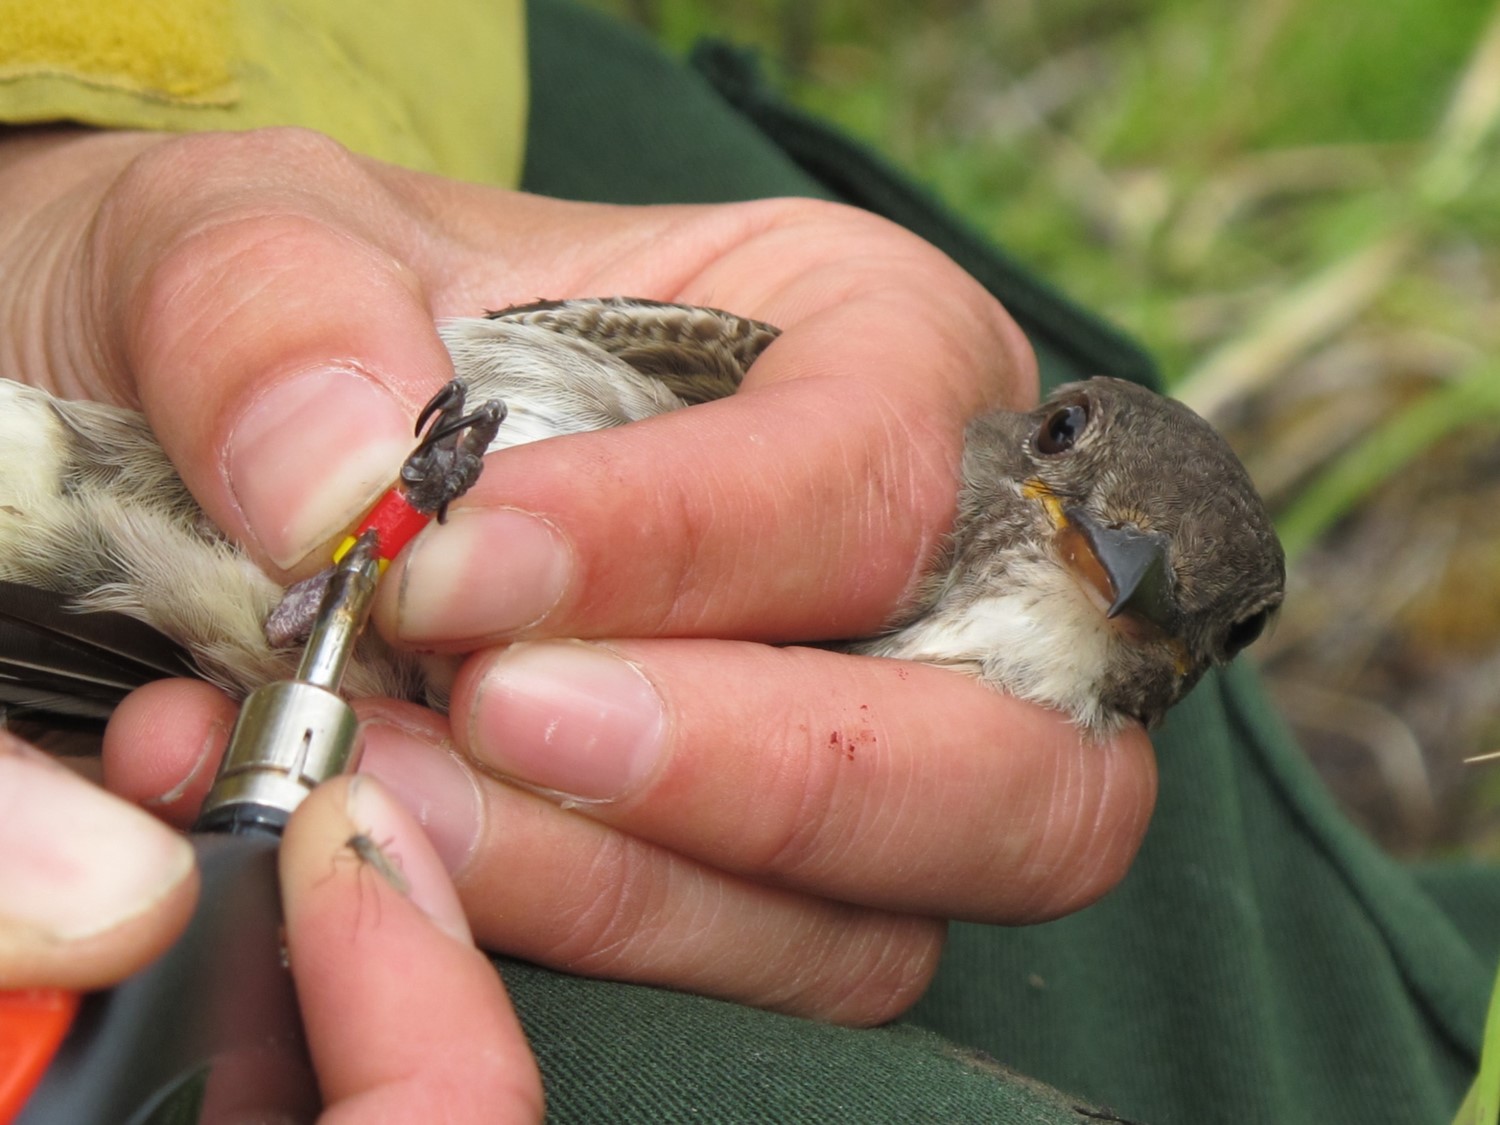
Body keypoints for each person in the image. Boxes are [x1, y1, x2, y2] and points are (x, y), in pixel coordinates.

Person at [0, 1, 1490, 1120]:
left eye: (1188, 623)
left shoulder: (997, 776)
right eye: (1062, 446)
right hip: (128, 469)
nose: (1096, 550)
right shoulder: (751, 396)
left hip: (107, 648)